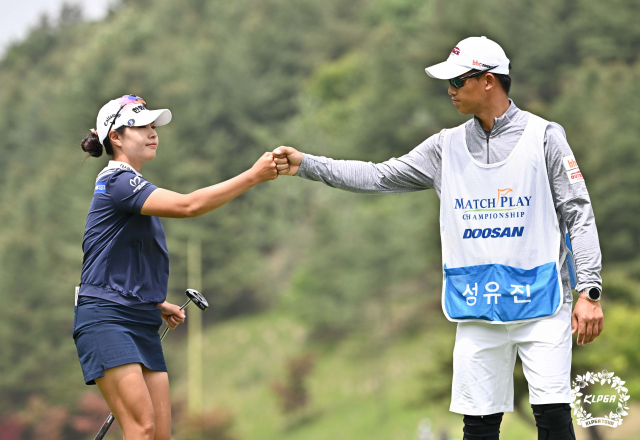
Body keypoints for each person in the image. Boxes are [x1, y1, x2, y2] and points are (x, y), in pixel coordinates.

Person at [273, 37, 604, 440]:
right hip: (477, 306)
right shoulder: (444, 146)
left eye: (458, 80)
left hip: (543, 301)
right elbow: (379, 176)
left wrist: (589, 291)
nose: (449, 90)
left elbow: (578, 214)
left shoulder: (545, 136)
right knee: (478, 427)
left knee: (553, 420)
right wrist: (307, 164)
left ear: (488, 81)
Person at [74, 94, 277, 440]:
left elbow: (121, 258)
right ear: (116, 138)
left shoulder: (131, 187)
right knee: (142, 430)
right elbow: (190, 206)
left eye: (153, 126)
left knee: (160, 436)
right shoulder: (118, 183)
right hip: (106, 318)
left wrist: (154, 302)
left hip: (139, 319)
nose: (153, 132)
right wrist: (254, 176)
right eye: (141, 126)